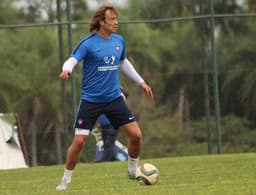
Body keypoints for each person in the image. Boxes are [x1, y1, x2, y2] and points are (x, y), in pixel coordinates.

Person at [56, 3, 153, 191]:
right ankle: (66, 179)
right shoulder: (88, 43)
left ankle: (132, 170)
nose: (116, 22)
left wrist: (141, 82)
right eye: (112, 19)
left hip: (114, 98)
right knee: (79, 142)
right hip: (90, 101)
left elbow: (123, 63)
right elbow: (72, 59)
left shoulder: (119, 41)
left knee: (136, 136)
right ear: (101, 22)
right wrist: (66, 70)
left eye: (116, 19)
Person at [93, 89, 129, 162]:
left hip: (112, 125)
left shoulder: (117, 101)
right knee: (106, 145)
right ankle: (111, 160)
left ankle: (105, 161)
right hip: (104, 126)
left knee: (109, 144)